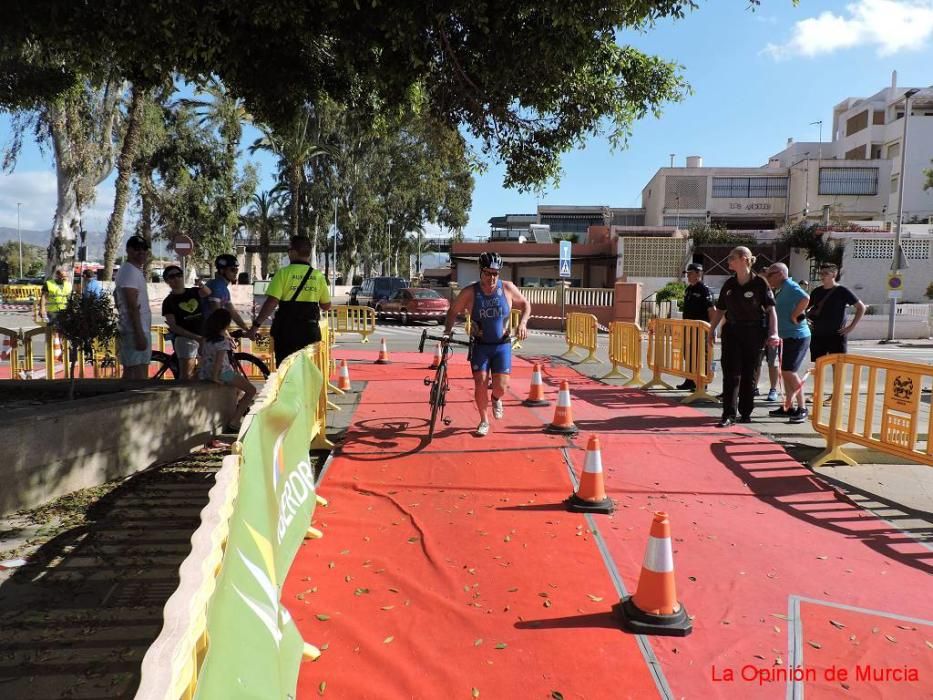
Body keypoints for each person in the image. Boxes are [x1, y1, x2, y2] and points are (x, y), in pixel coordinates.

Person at [444, 251, 531, 437]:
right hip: (481, 346)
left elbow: (525, 304)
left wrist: (523, 323)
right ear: (480, 272)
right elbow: (452, 312)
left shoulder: (507, 288)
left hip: (502, 345)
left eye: (495, 273)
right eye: (488, 272)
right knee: (480, 382)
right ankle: (484, 420)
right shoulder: (470, 292)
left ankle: (496, 398)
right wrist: (447, 332)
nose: (492, 277)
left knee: (501, 386)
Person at [708, 246, 779, 428]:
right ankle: (728, 415)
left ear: (745, 259)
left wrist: (773, 333)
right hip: (732, 331)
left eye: (732, 257)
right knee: (731, 374)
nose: (729, 260)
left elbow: (771, 311)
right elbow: (721, 309)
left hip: (754, 332)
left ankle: (745, 412)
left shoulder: (760, 283)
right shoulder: (729, 284)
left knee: (749, 373)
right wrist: (712, 329)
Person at [249, 236, 331, 365]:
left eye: (288, 250)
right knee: (306, 370)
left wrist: (255, 325)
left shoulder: (283, 273)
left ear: (293, 252)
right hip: (310, 331)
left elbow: (271, 302)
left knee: (285, 370)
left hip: (287, 332)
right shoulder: (318, 276)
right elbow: (326, 306)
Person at [806, 263, 866, 404]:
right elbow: (807, 308)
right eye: (820, 273)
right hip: (818, 334)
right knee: (818, 365)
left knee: (837, 366)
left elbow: (861, 307)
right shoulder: (816, 292)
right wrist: (807, 320)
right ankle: (817, 394)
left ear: (834, 274)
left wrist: (851, 326)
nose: (822, 276)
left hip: (836, 335)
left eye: (825, 273)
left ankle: (836, 396)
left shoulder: (842, 291)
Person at [765, 263, 811, 424]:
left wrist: (795, 315)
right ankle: (788, 407)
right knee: (786, 373)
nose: (768, 278)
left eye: (770, 275)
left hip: (797, 337)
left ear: (779, 274)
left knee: (789, 372)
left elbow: (806, 298)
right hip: (787, 337)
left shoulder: (790, 286)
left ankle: (802, 408)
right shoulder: (782, 289)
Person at [200, 308, 256, 433]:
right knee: (251, 390)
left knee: (238, 390)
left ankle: (232, 416)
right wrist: (215, 377)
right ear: (225, 325)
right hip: (224, 373)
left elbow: (201, 353)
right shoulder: (223, 342)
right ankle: (235, 421)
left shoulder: (205, 339)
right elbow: (219, 362)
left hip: (205, 372)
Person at [161, 265, 210, 381]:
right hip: (186, 340)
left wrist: (201, 284)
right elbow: (173, 326)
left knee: (203, 371)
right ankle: (183, 397)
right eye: (172, 277)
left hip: (203, 338)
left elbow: (207, 293)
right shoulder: (168, 301)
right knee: (186, 376)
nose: (177, 279)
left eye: (179, 275)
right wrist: (196, 337)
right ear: (167, 281)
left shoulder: (194, 291)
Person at [113, 235, 152, 379]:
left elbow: (117, 296)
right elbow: (132, 306)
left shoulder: (133, 271)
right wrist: (139, 334)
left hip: (135, 329)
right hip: (134, 331)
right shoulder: (129, 271)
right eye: (137, 249)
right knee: (138, 375)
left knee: (132, 372)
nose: (141, 252)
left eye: (144, 249)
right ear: (128, 250)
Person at [677, 262, 714, 391]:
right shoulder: (689, 289)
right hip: (689, 328)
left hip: (701, 329)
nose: (688, 276)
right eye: (687, 274)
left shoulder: (704, 289)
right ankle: (690, 380)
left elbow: (711, 310)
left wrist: (712, 329)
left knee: (701, 356)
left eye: (690, 274)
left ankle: (702, 383)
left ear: (698, 274)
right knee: (688, 354)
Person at [203, 253, 251, 334]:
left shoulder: (224, 289)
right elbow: (217, 315)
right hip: (206, 332)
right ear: (222, 270)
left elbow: (233, 313)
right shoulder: (217, 286)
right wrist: (226, 335)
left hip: (212, 332)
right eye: (232, 270)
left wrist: (248, 330)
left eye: (237, 270)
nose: (236, 273)